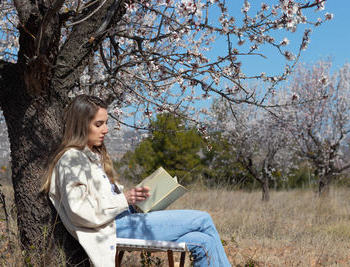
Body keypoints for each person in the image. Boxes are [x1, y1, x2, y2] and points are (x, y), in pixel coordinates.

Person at [41, 95, 231, 267]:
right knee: (203, 219)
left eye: (106, 123)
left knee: (203, 240)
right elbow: (79, 210)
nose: (106, 130)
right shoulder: (71, 159)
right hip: (114, 228)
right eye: (99, 124)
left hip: (124, 220)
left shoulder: (91, 156)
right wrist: (125, 199)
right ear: (81, 125)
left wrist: (135, 201)